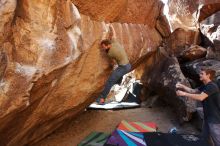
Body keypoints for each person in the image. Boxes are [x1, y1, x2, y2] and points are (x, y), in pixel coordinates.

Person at [176, 68, 220, 146]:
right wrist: (182, 86)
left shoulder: (212, 86)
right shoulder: (205, 86)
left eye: (202, 73)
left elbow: (201, 97)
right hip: (208, 117)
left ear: (208, 75)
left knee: (217, 140)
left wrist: (184, 94)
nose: (199, 75)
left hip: (214, 118)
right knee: (205, 137)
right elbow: (193, 91)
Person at [97, 25, 131, 104]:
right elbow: (113, 35)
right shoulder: (115, 42)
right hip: (128, 65)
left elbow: (111, 60)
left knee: (110, 81)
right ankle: (118, 83)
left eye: (103, 47)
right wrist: (111, 27)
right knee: (116, 76)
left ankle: (102, 99)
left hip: (123, 67)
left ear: (108, 45)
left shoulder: (110, 53)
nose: (103, 48)